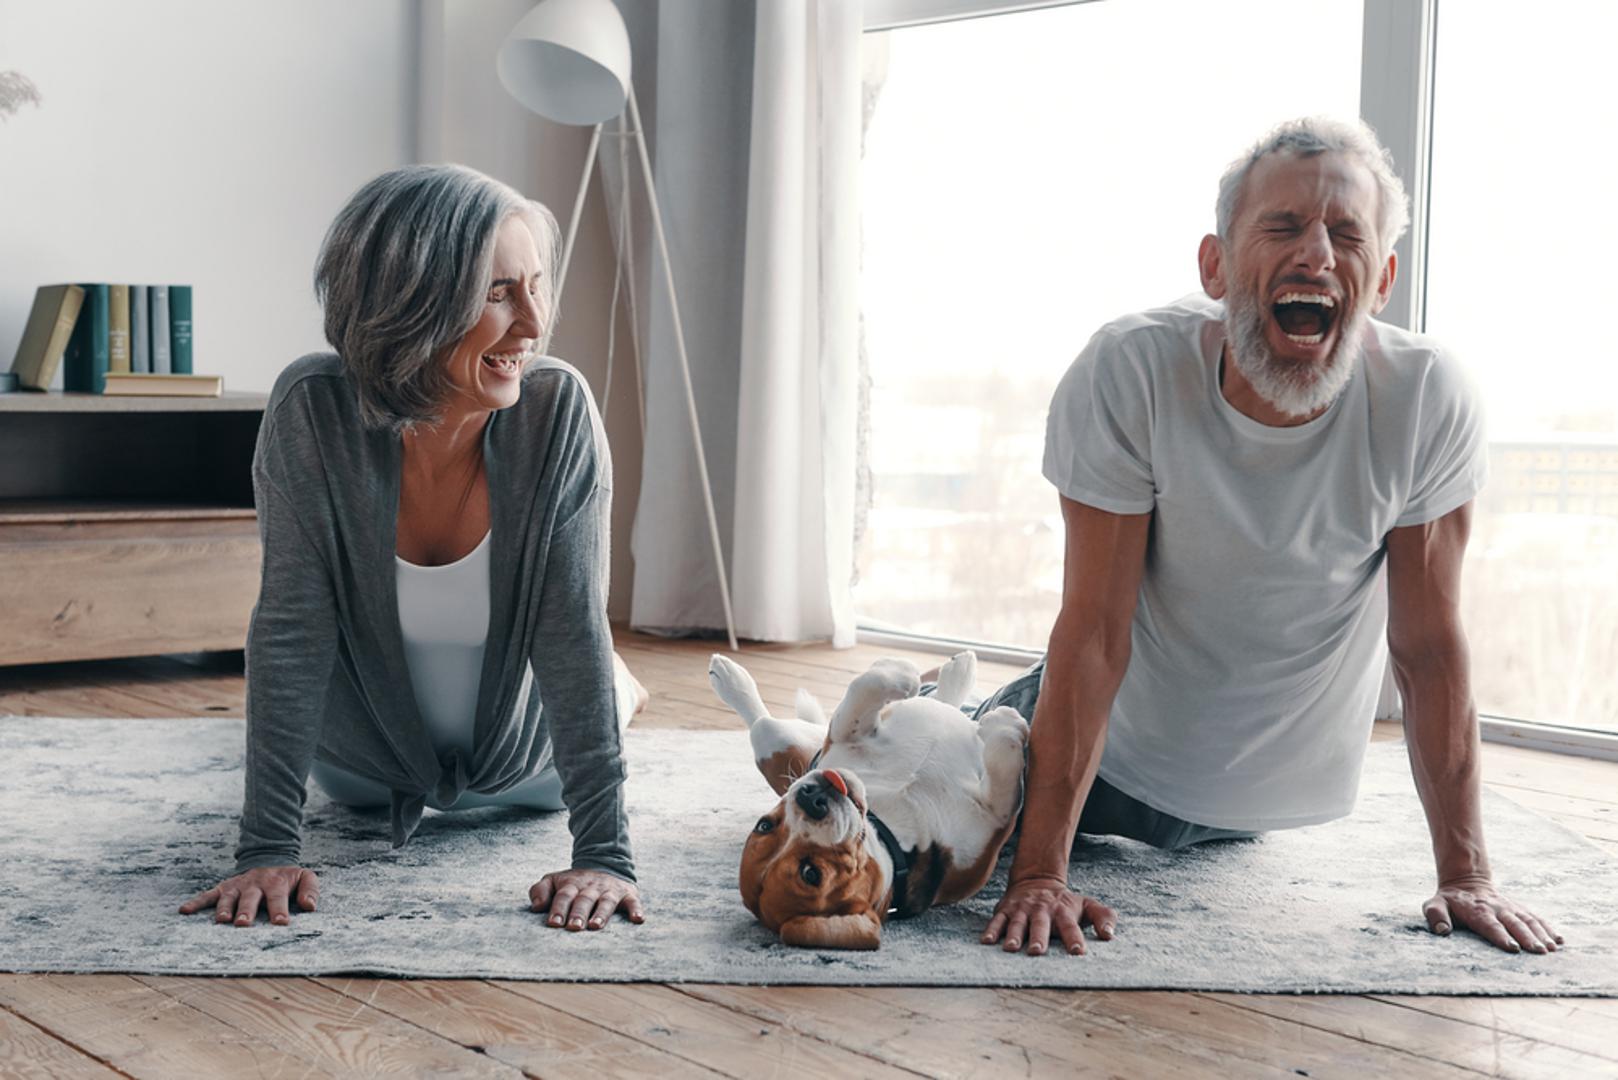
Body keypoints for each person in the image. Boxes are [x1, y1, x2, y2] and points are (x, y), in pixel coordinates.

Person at [974, 117, 1561, 958]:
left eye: (1347, 234)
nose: (1317, 254)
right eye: (1283, 227)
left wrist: (1466, 874)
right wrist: (1039, 873)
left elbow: (1429, 649)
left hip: (1247, 810)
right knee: (876, 801)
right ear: (1215, 266)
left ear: (1383, 278)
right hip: (1105, 755)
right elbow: (1095, 636)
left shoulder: (1427, 398)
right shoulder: (1130, 370)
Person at [179, 164, 646, 934]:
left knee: (593, 659)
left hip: (532, 770)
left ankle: (624, 696)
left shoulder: (556, 410)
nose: (533, 324)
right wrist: (265, 844)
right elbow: (292, 629)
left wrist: (606, 854)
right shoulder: (312, 411)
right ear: (411, 303)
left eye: (535, 286)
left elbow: (571, 632)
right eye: (498, 293)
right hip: (363, 768)